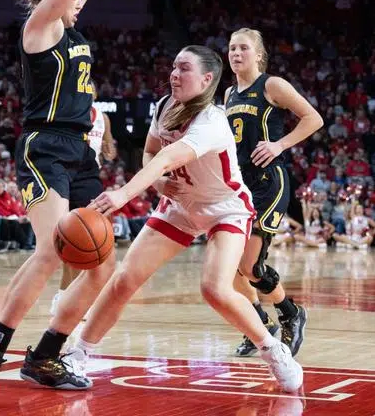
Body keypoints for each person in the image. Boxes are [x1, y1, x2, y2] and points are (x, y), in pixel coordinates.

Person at [0, 0, 145, 409]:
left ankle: (45, 355)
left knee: (101, 265)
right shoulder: (39, 26)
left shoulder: (74, 29)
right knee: (49, 252)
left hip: (81, 152)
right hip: (43, 146)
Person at [63, 45, 304, 393]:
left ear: (206, 80)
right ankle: (80, 353)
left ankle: (273, 350)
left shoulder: (211, 120)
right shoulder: (164, 106)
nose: (174, 74)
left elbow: (166, 158)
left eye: (184, 69)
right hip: (180, 205)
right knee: (124, 279)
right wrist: (160, 183)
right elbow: (150, 154)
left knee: (215, 289)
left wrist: (122, 194)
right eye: (174, 66)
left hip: (225, 207)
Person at [224, 28, 323, 357]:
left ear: (259, 55)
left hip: (269, 182)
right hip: (240, 185)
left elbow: (314, 118)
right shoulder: (228, 95)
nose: (236, 53)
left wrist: (280, 144)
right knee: (232, 268)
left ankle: (291, 313)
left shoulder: (272, 85)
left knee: (250, 267)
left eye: (244, 48)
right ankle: (259, 327)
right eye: (232, 48)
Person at [50, 86, 119, 316]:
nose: (87, 90)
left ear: (95, 94)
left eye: (91, 88)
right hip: (69, 175)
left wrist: (109, 149)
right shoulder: (66, 112)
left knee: (94, 243)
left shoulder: (103, 118)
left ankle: (79, 298)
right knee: (72, 240)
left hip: (90, 177)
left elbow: (109, 147)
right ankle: (63, 295)